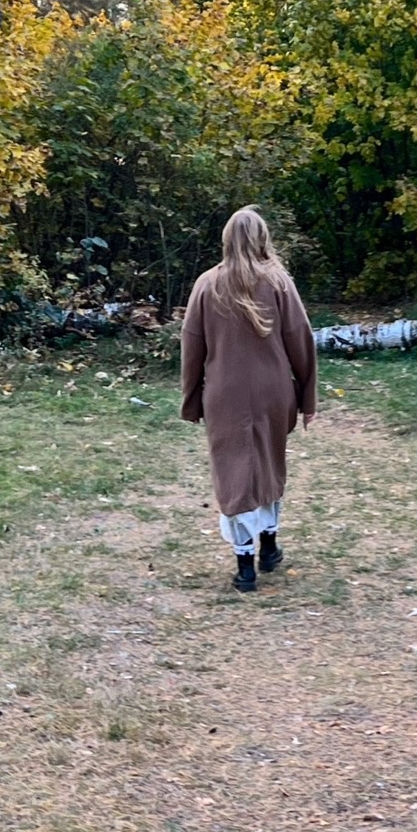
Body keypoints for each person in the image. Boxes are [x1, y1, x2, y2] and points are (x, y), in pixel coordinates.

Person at [179, 206, 318, 593]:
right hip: (275, 392)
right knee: (269, 464)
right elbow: (300, 340)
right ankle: (269, 546)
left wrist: (191, 399)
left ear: (226, 240)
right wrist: (307, 397)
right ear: (262, 239)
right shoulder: (279, 282)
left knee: (234, 475)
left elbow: (191, 348)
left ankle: (245, 566)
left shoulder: (206, 284)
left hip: (225, 395)